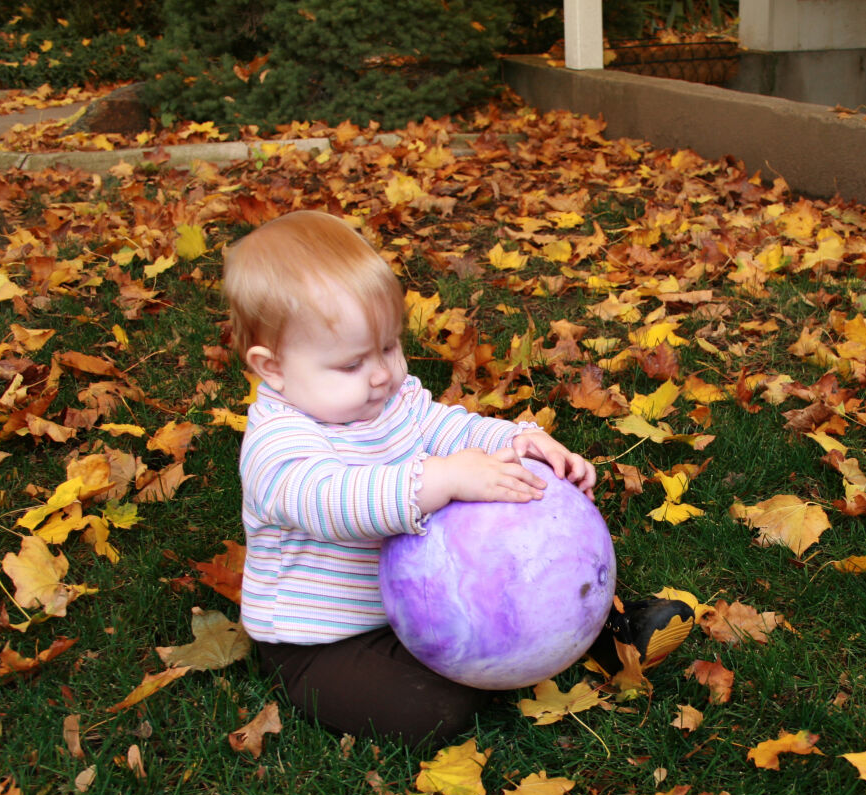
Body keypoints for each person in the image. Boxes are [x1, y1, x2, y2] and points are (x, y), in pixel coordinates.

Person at [224, 210, 690, 744]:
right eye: (352, 364)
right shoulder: (278, 445)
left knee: (534, 562)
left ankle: (605, 628)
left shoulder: (386, 397)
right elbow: (330, 501)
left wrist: (516, 443)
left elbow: (446, 426)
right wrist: (440, 479)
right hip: (327, 642)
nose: (382, 374)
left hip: (425, 591)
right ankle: (496, 658)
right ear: (273, 367)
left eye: (389, 347)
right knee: (433, 709)